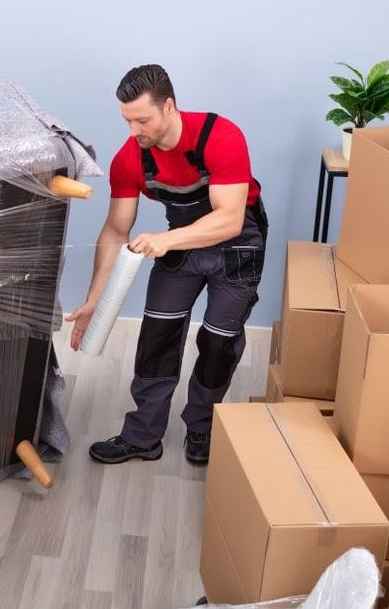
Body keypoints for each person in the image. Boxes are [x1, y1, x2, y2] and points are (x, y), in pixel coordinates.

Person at [68, 64, 267, 466]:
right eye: (127, 120)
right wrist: (93, 300)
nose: (133, 131)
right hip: (180, 243)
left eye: (142, 120)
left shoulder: (220, 136)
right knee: (157, 335)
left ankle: (202, 427)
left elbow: (229, 219)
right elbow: (116, 230)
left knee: (218, 341)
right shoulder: (130, 159)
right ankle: (142, 436)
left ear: (169, 107)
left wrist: (165, 241)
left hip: (237, 246)